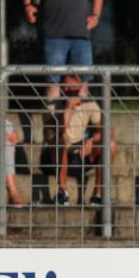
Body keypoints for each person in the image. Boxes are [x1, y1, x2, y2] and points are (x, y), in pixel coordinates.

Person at [52, 74, 116, 205]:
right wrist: (68, 109)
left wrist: (91, 139)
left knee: (110, 144)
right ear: (61, 88)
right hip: (59, 155)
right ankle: (62, 192)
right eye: (66, 87)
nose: (69, 90)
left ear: (80, 87)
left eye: (73, 87)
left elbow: (108, 130)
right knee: (60, 143)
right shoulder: (53, 106)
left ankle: (97, 195)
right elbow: (59, 132)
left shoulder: (89, 104)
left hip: (83, 153)